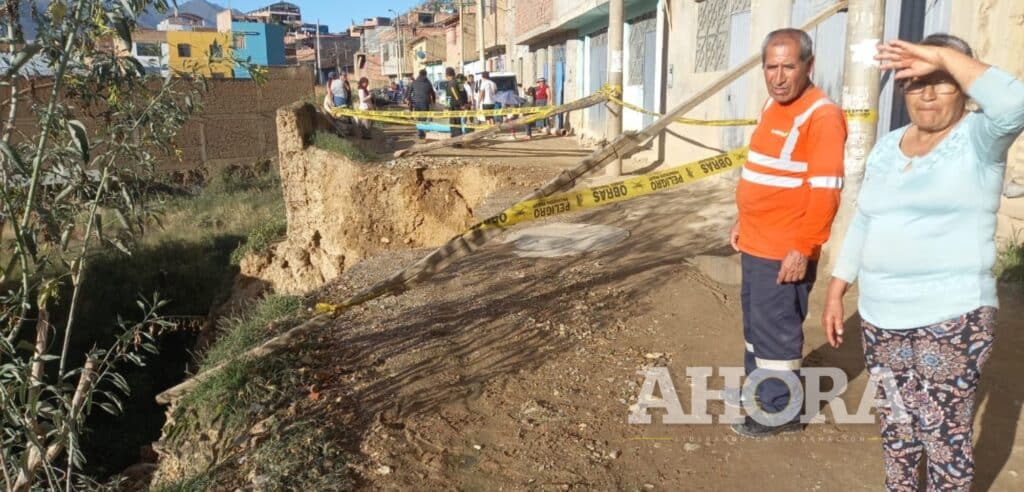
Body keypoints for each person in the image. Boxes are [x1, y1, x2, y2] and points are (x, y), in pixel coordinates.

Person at [823, 34, 1024, 491]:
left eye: (943, 81)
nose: (928, 94)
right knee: (897, 431)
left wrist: (940, 56)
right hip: (880, 318)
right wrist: (837, 288)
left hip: (951, 319)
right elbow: (865, 220)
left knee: (943, 438)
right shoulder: (887, 147)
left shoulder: (980, 140)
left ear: (964, 86)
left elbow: (1016, 104)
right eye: (916, 83)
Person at [728, 28, 848, 438]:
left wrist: (804, 247)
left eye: (789, 67)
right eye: (771, 67)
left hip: (784, 251)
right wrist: (744, 218)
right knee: (756, 329)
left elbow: (826, 191)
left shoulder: (822, 115)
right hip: (756, 242)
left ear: (809, 66)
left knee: (777, 332)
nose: (778, 77)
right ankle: (759, 396)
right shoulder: (771, 105)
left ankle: (776, 414)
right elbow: (764, 169)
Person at [407, 69, 436, 140]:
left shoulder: (414, 82)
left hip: (416, 103)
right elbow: (432, 92)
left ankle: (421, 132)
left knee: (419, 118)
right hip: (425, 103)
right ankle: (421, 132)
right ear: (425, 75)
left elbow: (409, 92)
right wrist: (434, 100)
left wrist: (408, 99)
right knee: (423, 118)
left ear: (419, 74)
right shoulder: (428, 83)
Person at [445, 67, 469, 140]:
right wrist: (464, 103)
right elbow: (464, 93)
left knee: (453, 123)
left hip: (454, 106)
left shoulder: (450, 83)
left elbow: (455, 95)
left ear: (447, 75)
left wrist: (447, 106)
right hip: (458, 105)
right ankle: (458, 138)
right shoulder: (459, 82)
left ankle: (455, 139)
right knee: (458, 123)